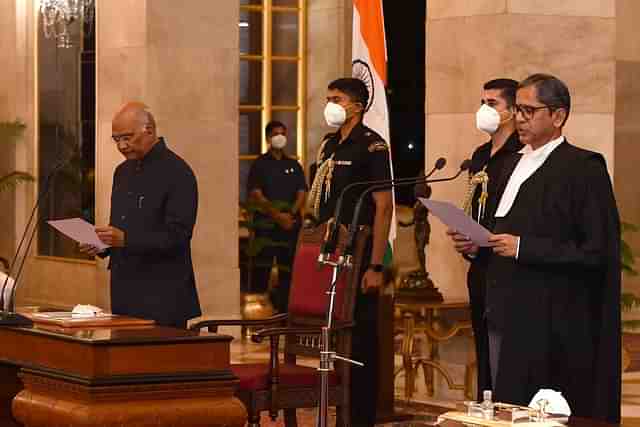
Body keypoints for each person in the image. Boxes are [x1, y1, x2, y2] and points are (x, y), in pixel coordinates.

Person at [460, 74, 621, 422]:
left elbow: (596, 252)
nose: (519, 118)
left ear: (558, 116)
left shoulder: (583, 168)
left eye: (529, 111)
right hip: (500, 307)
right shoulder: (506, 165)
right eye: (517, 109)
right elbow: (498, 233)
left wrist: (523, 248)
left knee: (537, 414)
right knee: (502, 408)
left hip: (551, 321)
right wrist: (476, 245)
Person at [309, 77, 393, 427]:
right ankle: (337, 409)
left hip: (360, 254)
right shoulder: (329, 145)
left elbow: (384, 206)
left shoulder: (372, 146)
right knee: (333, 335)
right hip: (331, 252)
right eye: (328, 98)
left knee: (360, 337)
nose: (330, 104)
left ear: (357, 106)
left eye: (337, 98)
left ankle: (362, 416)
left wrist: (376, 265)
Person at [80, 102, 201, 329]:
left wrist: (126, 239)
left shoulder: (177, 172)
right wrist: (104, 244)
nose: (122, 146)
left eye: (128, 137)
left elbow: (178, 236)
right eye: (116, 140)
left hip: (163, 295)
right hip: (124, 291)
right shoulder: (122, 172)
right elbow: (123, 228)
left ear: (150, 131)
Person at [447, 78, 523, 400]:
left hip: (509, 270)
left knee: (508, 353)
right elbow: (477, 205)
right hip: (480, 268)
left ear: (511, 111)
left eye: (492, 104)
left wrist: (487, 239)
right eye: (482, 102)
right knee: (484, 349)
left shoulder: (522, 153)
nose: (484, 110)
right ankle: (486, 406)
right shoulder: (480, 154)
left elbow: (517, 215)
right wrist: (466, 237)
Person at [246, 120, 306, 313]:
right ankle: (258, 314)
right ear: (268, 138)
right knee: (261, 271)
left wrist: (291, 214)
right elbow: (256, 194)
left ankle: (285, 313)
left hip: (290, 227)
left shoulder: (293, 164)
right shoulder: (260, 164)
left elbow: (302, 192)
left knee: (288, 272)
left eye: (283, 133)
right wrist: (277, 216)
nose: (280, 137)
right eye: (275, 134)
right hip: (266, 228)